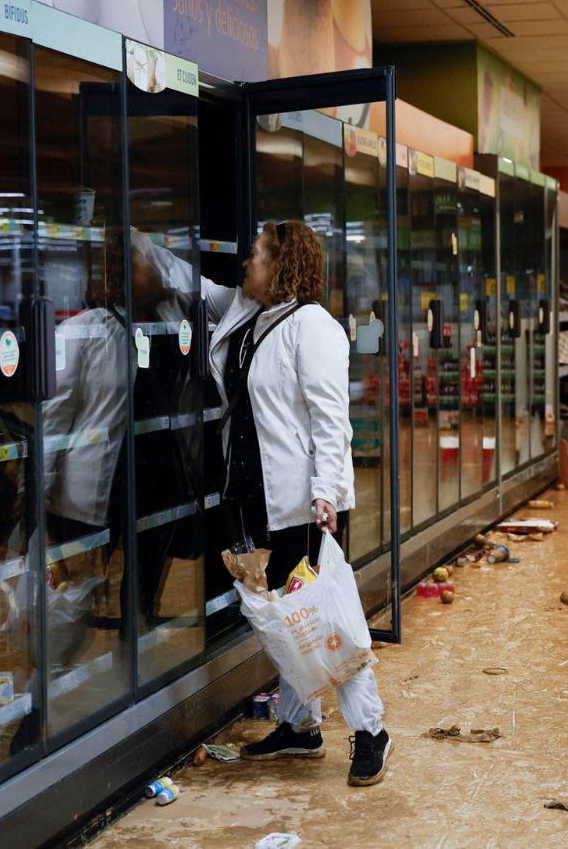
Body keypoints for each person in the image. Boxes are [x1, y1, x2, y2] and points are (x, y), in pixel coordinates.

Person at [203, 220, 392, 788]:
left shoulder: (314, 327)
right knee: (289, 616)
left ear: (281, 265)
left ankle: (372, 730)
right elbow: (196, 287)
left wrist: (326, 496)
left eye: (256, 255)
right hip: (257, 492)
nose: (246, 264)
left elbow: (331, 420)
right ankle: (300, 726)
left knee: (328, 619)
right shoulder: (250, 313)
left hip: (303, 503)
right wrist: (139, 241)